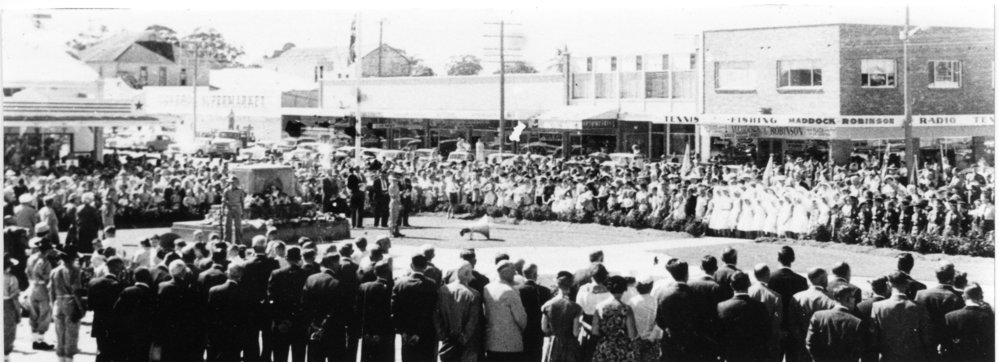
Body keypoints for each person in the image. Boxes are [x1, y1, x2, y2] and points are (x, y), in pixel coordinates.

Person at [871, 271, 933, 362]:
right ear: (907, 285)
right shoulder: (919, 307)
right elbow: (927, 338)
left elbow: (874, 340)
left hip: (888, 358)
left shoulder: (878, 307)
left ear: (889, 284)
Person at [302, 252, 351, 362]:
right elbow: (340, 309)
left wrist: (313, 324)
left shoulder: (310, 279)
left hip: (314, 328)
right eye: (338, 263)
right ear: (333, 263)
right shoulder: (337, 282)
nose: (339, 266)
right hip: (334, 330)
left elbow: (305, 305)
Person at [393, 253, 440, 362]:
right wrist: (418, 333)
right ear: (425, 267)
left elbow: (395, 310)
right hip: (425, 334)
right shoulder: (431, 285)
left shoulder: (400, 283)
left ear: (411, 265)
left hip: (406, 335)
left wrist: (403, 331)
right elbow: (431, 311)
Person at [914, 261, 965, 359]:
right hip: (949, 344)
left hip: (926, 343)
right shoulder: (959, 297)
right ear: (953, 276)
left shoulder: (921, 294)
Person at [716, 271, 771, 362]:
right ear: (749, 284)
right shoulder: (760, 307)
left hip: (732, 355)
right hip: (754, 355)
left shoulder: (722, 307)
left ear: (731, 285)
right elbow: (766, 333)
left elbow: (720, 335)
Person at [155, 260, 202, 362]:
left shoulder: (163, 287)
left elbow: (159, 311)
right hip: (188, 332)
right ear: (183, 272)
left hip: (169, 331)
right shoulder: (191, 288)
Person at [435, 261, 482, 362]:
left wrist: (442, 335)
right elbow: (472, 321)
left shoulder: (442, 290)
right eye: (471, 273)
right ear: (466, 274)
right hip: (467, 346)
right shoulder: (474, 294)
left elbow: (436, 315)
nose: (472, 276)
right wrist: (463, 338)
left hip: (447, 342)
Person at [269, 247, 309, 362]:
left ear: (286, 258)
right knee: (299, 356)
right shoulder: (305, 274)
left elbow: (271, 299)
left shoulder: (276, 274)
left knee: (280, 356)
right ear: (299, 258)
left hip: (281, 323)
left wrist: (279, 321)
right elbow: (306, 301)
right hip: (299, 323)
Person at [207, 261, 253, 362]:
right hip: (236, 335)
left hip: (218, 333)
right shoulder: (245, 293)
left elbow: (209, 314)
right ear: (241, 274)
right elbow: (247, 317)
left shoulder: (214, 291)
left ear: (227, 273)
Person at [768, 246, 808, 362]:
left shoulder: (770, 278)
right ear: (793, 259)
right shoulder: (801, 280)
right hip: (793, 328)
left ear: (778, 258)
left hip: (776, 327)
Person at [805, 284, 865, 362]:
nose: (854, 300)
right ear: (847, 298)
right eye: (853, 297)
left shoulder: (818, 316)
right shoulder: (856, 322)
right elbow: (858, 350)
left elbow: (810, 342)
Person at [243, 235, 280, 360]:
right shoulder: (273, 263)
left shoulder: (247, 265)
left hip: (251, 306)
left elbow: (244, 286)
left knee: (251, 336)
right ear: (265, 248)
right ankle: (265, 358)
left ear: (253, 247)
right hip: (268, 305)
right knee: (268, 335)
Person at [483, 260, 528, 362]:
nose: (514, 275)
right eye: (513, 272)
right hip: (511, 344)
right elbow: (521, 318)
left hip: (492, 342)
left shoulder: (487, 288)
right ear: (504, 273)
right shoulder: (509, 291)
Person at [790, 268, 838, 362]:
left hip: (802, 344)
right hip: (824, 346)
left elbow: (792, 323)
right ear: (822, 279)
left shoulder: (796, 297)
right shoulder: (831, 299)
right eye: (826, 277)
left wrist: (801, 339)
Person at [112, 267, 156, 362]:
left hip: (126, 332)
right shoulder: (152, 294)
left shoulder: (127, 291)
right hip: (145, 334)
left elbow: (116, 311)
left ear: (134, 277)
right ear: (148, 278)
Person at [50, 248, 86, 362]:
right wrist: (81, 307)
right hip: (70, 302)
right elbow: (76, 290)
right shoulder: (75, 270)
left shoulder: (54, 271)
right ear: (72, 258)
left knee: (60, 332)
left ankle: (60, 358)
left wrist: (53, 305)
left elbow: (51, 291)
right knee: (71, 333)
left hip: (58, 302)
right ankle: (69, 358)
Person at [590, 275, 637, 362]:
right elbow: (632, 333)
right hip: (622, 348)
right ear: (624, 289)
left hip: (604, 347)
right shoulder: (626, 309)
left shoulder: (599, 307)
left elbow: (595, 331)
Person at [943, 283, 994, 362]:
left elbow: (946, 342)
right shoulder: (989, 317)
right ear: (980, 296)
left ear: (964, 296)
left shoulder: (950, 316)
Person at [87, 256, 125, 362]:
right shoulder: (117, 285)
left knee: (101, 351)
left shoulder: (93, 282)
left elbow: (90, 306)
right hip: (113, 325)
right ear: (116, 268)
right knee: (112, 353)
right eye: (121, 268)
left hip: (99, 322)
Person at [357, 260, 395, 362]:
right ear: (389, 273)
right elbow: (390, 313)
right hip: (385, 335)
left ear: (375, 272)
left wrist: (366, 331)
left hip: (367, 333)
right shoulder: (391, 289)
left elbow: (358, 311)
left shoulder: (364, 287)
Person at [542, 271, 583, 362]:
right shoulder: (576, 307)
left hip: (554, 343)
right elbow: (575, 332)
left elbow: (544, 328)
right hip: (570, 345)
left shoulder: (547, 305)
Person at [515, 263, 551, 362]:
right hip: (538, 331)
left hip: (522, 331)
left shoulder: (517, 291)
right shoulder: (545, 291)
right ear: (535, 275)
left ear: (523, 274)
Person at [749, 263, 784, 362]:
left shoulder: (748, 291)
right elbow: (777, 321)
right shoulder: (775, 296)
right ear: (768, 274)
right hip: (769, 341)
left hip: (750, 339)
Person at [26, 237, 55, 351]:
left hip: (32, 286)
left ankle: (34, 340)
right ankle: (40, 341)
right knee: (44, 314)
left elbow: (27, 272)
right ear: (47, 249)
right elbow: (45, 276)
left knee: (33, 313)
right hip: (42, 287)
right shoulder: (45, 261)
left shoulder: (31, 258)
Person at [627, 275, 661, 362]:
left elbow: (630, 323)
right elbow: (659, 323)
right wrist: (651, 338)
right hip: (653, 340)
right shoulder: (656, 301)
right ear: (651, 286)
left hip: (636, 340)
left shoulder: (631, 302)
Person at [4, 254, 22, 361]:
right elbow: (15, 298)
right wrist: (18, 314)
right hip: (7, 305)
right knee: (8, 332)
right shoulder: (12, 278)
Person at [222, 176, 247, 245]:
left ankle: (239, 242)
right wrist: (223, 210)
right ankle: (227, 242)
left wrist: (243, 211)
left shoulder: (240, 191)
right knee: (227, 226)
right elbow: (223, 200)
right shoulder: (226, 190)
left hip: (237, 208)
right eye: (232, 182)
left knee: (238, 226)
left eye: (234, 182)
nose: (233, 184)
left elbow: (242, 201)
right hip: (229, 208)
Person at [388, 173, 404, 237]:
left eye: (396, 180)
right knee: (392, 218)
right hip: (394, 203)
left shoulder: (397, 186)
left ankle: (396, 231)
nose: (395, 182)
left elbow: (397, 194)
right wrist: (399, 202)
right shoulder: (392, 186)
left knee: (396, 218)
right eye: (394, 180)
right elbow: (393, 196)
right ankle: (391, 232)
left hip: (397, 202)